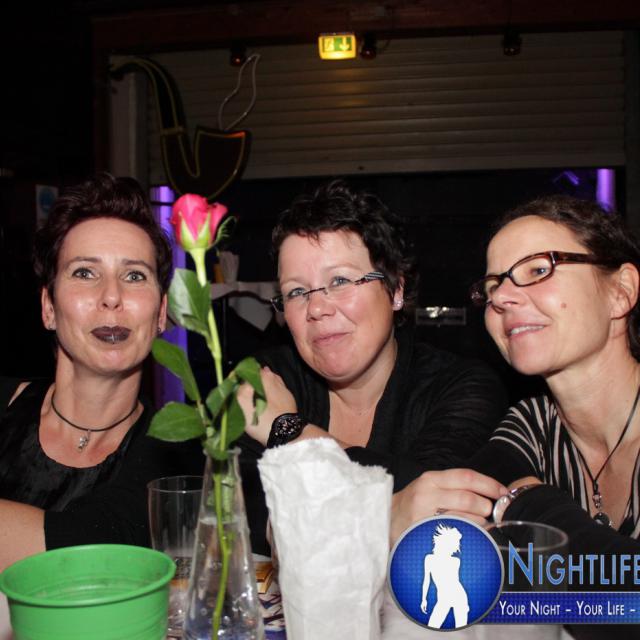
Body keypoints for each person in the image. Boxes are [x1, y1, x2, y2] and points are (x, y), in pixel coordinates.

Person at [237, 180, 508, 554]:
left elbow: (436, 516)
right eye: (297, 291)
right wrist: (388, 510)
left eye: (340, 280)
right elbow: (247, 519)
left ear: (396, 290)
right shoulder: (267, 377)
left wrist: (290, 430)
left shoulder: (462, 387)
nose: (317, 308)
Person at [0, 173, 203, 571]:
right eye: (84, 273)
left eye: (134, 276)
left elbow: (96, 550)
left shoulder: (175, 451)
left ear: (161, 313)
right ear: (48, 307)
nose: (112, 296)